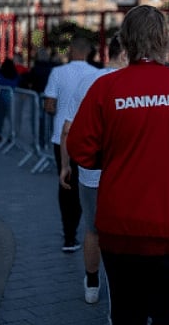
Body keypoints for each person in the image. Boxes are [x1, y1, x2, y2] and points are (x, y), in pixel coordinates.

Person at [67, 5, 169, 324]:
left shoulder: (106, 88)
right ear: (164, 41)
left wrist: (112, 157)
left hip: (120, 226)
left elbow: (79, 147)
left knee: (126, 313)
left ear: (125, 41)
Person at [59, 36, 127, 304]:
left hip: (90, 173)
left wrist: (65, 165)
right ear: (124, 55)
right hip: (124, 172)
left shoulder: (88, 83)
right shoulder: (129, 83)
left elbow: (67, 128)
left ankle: (92, 281)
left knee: (93, 229)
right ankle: (121, 285)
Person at [43, 36, 97, 253]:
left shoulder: (58, 72)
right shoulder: (95, 74)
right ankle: (90, 229)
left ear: (72, 51)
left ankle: (69, 235)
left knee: (66, 184)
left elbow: (49, 104)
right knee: (87, 184)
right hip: (88, 138)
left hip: (61, 137)